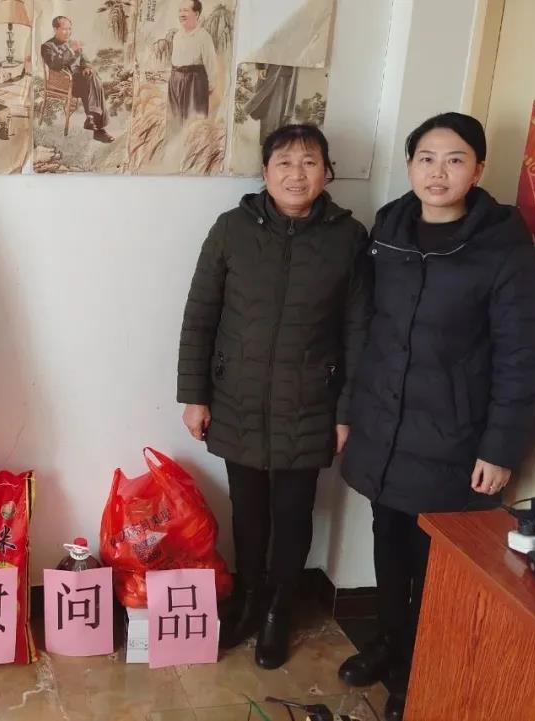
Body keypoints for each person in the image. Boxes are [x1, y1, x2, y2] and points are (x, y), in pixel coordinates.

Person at [337, 112, 535, 721]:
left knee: (435, 563)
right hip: (384, 425)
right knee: (387, 541)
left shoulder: (501, 245)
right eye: (426, 158)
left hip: (453, 435)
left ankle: (420, 669)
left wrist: (501, 448)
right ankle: (389, 642)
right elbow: (365, 327)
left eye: (455, 160)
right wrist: (350, 411)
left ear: (478, 170)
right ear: (409, 166)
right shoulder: (389, 229)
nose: (438, 172)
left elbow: (520, 353)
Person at [178, 124, 371, 670]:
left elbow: (358, 331)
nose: (296, 174)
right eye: (283, 162)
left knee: (292, 513)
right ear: (264, 172)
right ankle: (248, 601)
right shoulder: (231, 229)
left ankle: (278, 610)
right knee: (247, 511)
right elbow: (200, 315)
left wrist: (346, 412)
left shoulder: (347, 237)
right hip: (236, 397)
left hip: (310, 403)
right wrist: (195, 395)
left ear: (327, 172)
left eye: (309, 162)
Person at [40, 16, 114, 143]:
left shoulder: (73, 44)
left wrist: (87, 68)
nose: (68, 32)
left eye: (70, 29)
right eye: (65, 29)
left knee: (93, 77)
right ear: (55, 29)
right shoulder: (47, 46)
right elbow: (54, 65)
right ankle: (98, 128)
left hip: (78, 82)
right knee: (94, 82)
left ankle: (92, 119)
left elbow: (86, 60)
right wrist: (71, 51)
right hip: (62, 83)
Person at [168, 0, 218, 134]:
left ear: (196, 14)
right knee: (175, 121)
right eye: (180, 11)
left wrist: (210, 86)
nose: (181, 14)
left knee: (194, 123)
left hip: (195, 82)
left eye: (185, 10)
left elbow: (211, 63)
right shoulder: (177, 36)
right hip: (175, 80)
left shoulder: (204, 36)